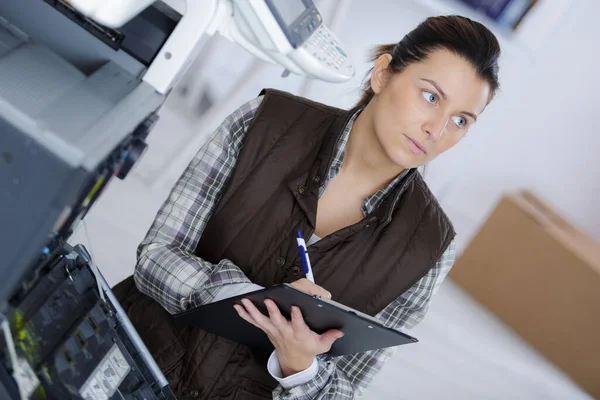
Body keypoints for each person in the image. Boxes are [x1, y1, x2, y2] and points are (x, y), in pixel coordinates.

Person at [113, 14, 501, 400]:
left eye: (461, 120)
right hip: (122, 366)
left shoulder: (430, 248)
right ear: (383, 74)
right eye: (431, 97)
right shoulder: (263, 123)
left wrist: (302, 369)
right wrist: (252, 301)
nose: (437, 129)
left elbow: (346, 389)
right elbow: (156, 257)